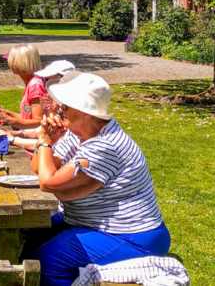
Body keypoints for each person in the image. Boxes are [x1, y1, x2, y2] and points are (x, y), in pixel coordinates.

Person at [26, 73, 171, 286]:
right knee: (30, 229)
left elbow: (48, 183)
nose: (58, 110)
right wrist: (47, 142)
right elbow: (37, 169)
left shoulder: (105, 146)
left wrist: (46, 141)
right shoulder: (80, 133)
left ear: (85, 112)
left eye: (65, 106)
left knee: (46, 263)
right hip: (90, 223)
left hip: (129, 236)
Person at [0, 63, 77, 156]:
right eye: (45, 80)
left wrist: (12, 139)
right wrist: (11, 133)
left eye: (50, 81)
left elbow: (51, 147)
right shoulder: (61, 108)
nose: (45, 85)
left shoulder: (72, 113)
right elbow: (40, 131)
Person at [0, 44, 47, 130]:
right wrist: (6, 113)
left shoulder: (35, 85)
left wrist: (10, 120)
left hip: (33, 138)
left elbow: (39, 122)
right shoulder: (32, 82)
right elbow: (26, 118)